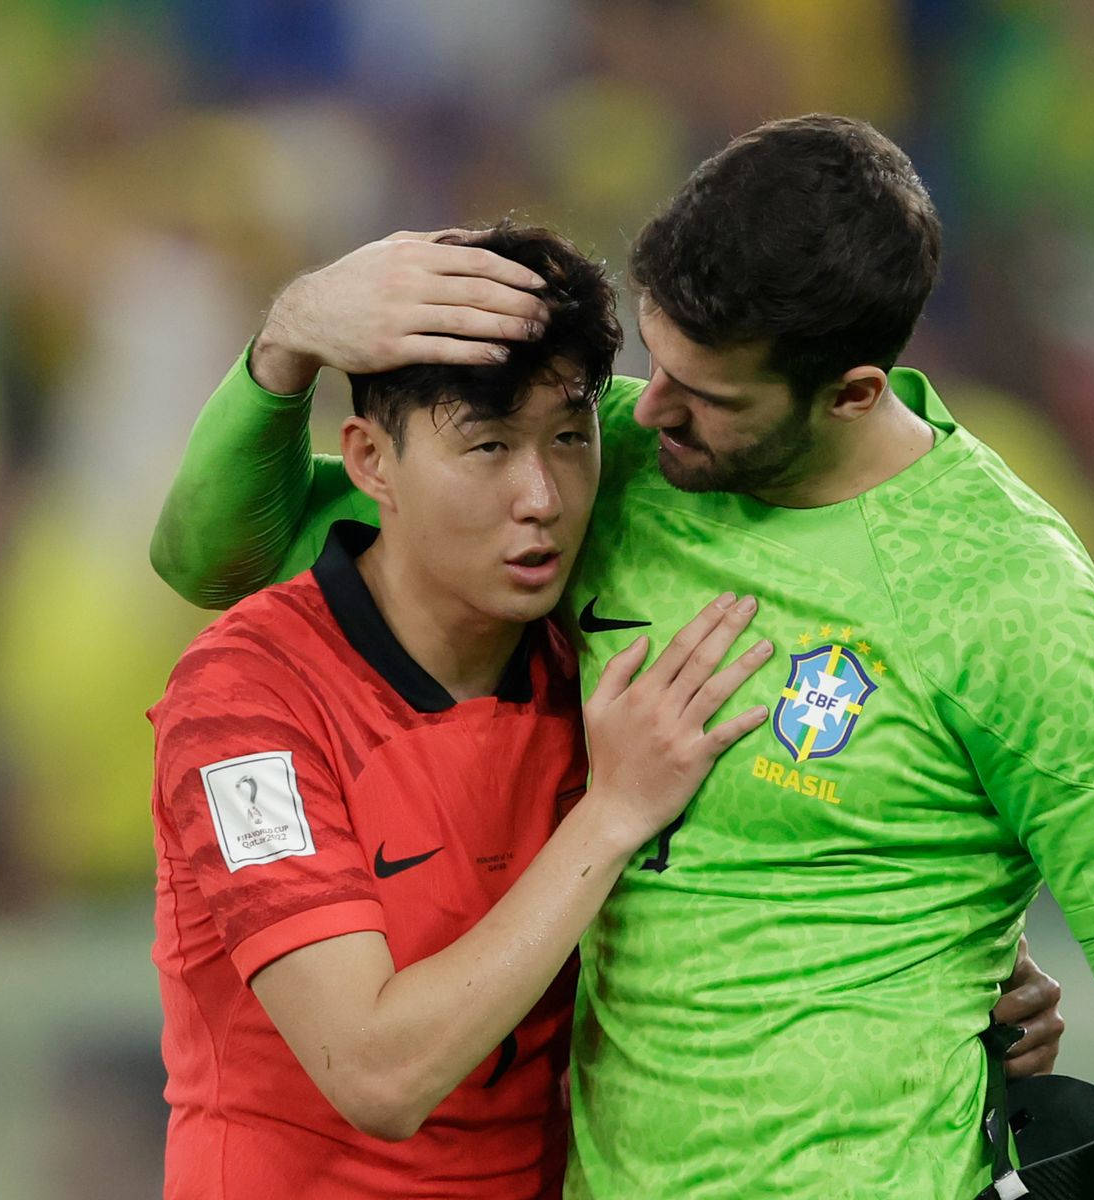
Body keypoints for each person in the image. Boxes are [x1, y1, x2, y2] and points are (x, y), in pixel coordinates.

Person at [147, 116, 1094, 1200]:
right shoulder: (585, 479)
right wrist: (293, 333)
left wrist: (955, 936)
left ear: (851, 394)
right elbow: (214, 556)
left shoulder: (1006, 593)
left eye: (703, 396)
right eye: (651, 362)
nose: (650, 414)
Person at [148, 223, 779, 1200]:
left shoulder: (603, 673)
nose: (541, 496)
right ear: (369, 461)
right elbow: (375, 1072)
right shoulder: (242, 707)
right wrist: (610, 814)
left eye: (570, 437)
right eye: (487, 446)